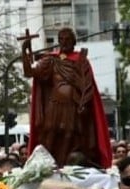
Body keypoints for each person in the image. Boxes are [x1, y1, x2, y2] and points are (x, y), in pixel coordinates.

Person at [20, 27, 111, 168]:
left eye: (68, 39)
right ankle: (45, 165)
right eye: (61, 39)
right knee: (49, 132)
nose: (64, 42)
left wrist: (83, 105)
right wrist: (24, 51)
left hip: (73, 106)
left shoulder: (81, 61)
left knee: (70, 135)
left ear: (74, 42)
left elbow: (87, 87)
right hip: (54, 104)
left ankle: (63, 167)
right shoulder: (51, 60)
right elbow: (29, 72)